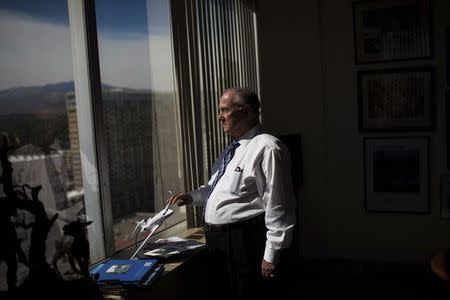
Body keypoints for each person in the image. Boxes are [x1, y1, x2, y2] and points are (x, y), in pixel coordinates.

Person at [168, 87, 296, 299]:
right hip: (219, 245)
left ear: (246, 112)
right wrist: (191, 197)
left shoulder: (268, 148)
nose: (219, 117)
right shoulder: (232, 150)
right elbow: (218, 190)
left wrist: (271, 255)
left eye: (224, 110)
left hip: (243, 242)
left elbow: (279, 206)